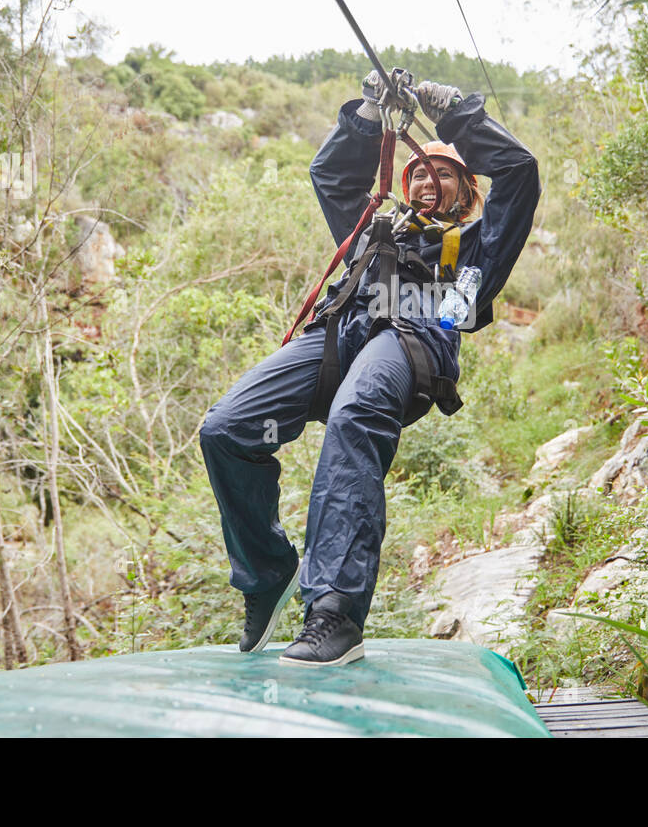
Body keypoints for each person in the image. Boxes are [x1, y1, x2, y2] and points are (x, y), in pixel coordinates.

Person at [198, 70, 540, 666]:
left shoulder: (478, 244)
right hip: (338, 339)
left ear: (467, 192)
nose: (427, 184)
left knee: (355, 417)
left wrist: (457, 115)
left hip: (412, 338)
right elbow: (331, 174)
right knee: (227, 429)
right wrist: (365, 116)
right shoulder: (372, 230)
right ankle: (266, 574)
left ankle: (334, 611)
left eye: (444, 176)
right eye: (418, 176)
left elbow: (519, 172)